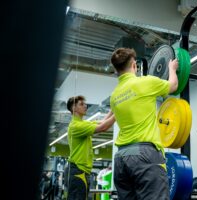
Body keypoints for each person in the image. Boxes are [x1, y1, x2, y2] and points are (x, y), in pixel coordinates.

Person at [110, 48, 178, 200]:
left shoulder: (114, 96)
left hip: (121, 158)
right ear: (134, 65)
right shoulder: (145, 82)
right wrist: (172, 69)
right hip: (145, 155)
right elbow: (173, 86)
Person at [66, 95, 115, 200]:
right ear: (73, 108)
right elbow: (103, 127)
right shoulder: (76, 126)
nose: (85, 106)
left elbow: (102, 122)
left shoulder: (82, 123)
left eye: (85, 104)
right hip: (78, 170)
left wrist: (113, 109)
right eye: (81, 104)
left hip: (82, 171)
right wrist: (119, 112)